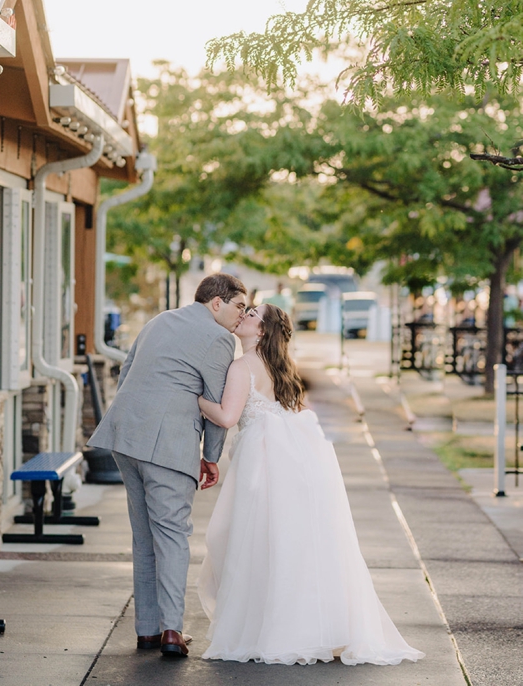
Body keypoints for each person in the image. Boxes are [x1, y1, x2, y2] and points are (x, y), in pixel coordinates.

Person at [196, 304, 424, 665]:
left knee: (254, 541)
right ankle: (305, 626)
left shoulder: (242, 367)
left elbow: (226, 416)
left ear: (262, 331)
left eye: (252, 313)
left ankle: (267, 629)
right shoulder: (278, 366)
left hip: (264, 465)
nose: (245, 315)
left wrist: (194, 397)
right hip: (291, 464)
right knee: (289, 544)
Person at [88, 272, 243, 658]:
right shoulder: (220, 338)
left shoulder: (160, 319)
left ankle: (147, 630)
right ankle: (172, 630)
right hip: (167, 445)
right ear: (217, 302)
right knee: (172, 535)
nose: (242, 315)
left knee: (145, 536)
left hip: (125, 436)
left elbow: (125, 374)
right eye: (239, 306)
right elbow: (215, 400)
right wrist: (210, 457)